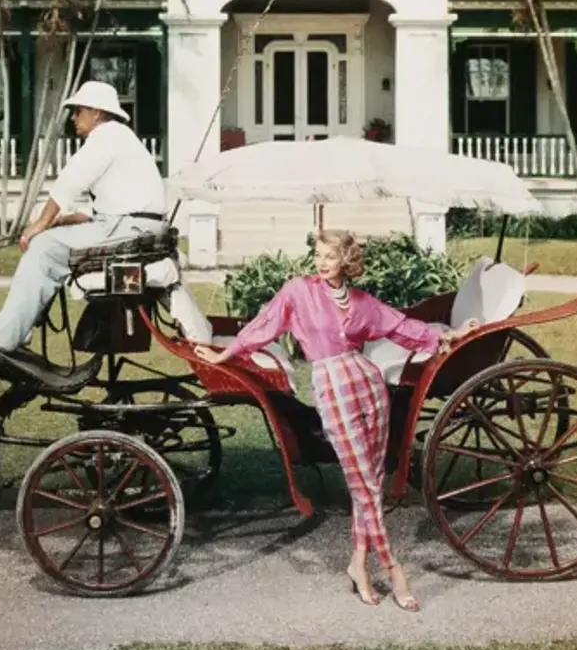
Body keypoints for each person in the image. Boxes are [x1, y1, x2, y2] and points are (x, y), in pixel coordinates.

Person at [194, 229, 480, 611]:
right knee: (361, 482)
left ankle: (358, 564)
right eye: (318, 254)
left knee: (372, 480)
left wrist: (453, 334)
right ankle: (394, 568)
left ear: (346, 261)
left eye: (330, 256)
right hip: (332, 389)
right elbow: (264, 325)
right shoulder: (299, 291)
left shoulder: (360, 301)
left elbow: (401, 327)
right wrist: (225, 354)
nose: (321, 262)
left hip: (368, 385)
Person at [0, 80, 167, 352]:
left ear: (96, 113)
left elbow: (70, 180)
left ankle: (5, 335)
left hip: (129, 227)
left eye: (78, 111)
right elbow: (110, 204)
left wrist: (39, 225)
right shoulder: (122, 138)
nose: (74, 118)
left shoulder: (106, 135)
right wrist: (62, 220)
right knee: (53, 239)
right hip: (135, 225)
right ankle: (22, 325)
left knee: (44, 246)